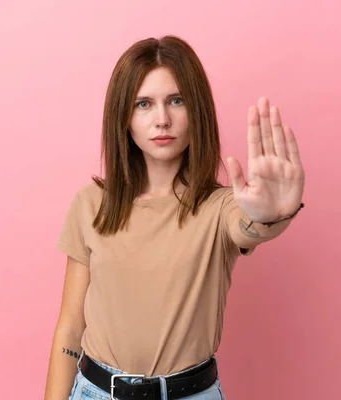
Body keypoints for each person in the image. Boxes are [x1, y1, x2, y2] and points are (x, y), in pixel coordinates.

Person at [44, 35, 305, 400]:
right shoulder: (92, 204)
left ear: (196, 110)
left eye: (176, 100)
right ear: (124, 117)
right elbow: (70, 327)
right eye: (144, 104)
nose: (162, 119)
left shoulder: (221, 207)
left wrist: (274, 214)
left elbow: (249, 226)